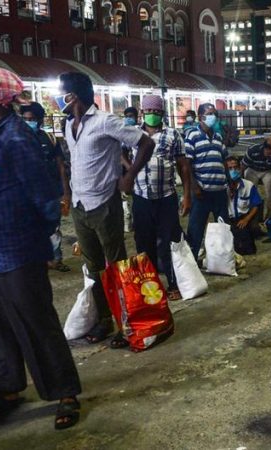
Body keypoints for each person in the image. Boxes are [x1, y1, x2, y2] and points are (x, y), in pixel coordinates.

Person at [0, 66, 82, 429]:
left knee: (37, 324)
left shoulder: (17, 139)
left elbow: (47, 198)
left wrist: (37, 240)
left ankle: (64, 391)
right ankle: (8, 390)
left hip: (18, 254)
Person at [58, 72, 155, 347]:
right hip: (80, 206)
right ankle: (104, 319)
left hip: (105, 206)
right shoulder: (68, 125)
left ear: (72, 96)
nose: (57, 98)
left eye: (60, 92)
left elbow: (145, 142)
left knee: (116, 268)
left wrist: (130, 175)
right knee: (93, 268)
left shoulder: (105, 122)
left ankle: (127, 322)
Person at [130, 95, 192, 301]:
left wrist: (187, 196)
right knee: (143, 243)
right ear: (142, 113)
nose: (153, 115)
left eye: (157, 112)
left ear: (162, 113)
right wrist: (128, 172)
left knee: (170, 242)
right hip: (141, 198)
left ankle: (174, 284)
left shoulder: (173, 134)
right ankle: (150, 286)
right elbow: (119, 153)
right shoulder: (132, 134)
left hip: (166, 197)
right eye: (149, 112)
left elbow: (183, 166)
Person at [19, 102, 72, 272]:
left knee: (53, 228)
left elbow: (61, 167)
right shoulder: (16, 140)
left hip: (51, 193)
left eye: (33, 119)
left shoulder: (50, 139)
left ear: (40, 120)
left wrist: (65, 192)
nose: (29, 122)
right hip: (26, 195)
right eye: (25, 119)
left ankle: (55, 259)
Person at [185, 103, 229, 258]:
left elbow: (224, 160)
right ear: (200, 117)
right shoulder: (192, 135)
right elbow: (187, 164)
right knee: (196, 229)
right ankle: (193, 258)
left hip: (220, 191)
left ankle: (222, 259)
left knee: (223, 227)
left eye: (214, 113)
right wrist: (194, 186)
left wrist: (229, 182)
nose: (213, 117)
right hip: (202, 192)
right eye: (210, 113)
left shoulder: (218, 137)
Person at [225, 156, 263, 255]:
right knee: (230, 250)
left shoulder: (248, 185)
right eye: (230, 168)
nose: (233, 170)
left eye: (236, 167)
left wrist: (246, 219)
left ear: (240, 168)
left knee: (249, 250)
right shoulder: (222, 186)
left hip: (243, 219)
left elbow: (256, 205)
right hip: (228, 220)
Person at [242, 136, 271, 220]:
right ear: (267, 149)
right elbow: (242, 168)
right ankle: (249, 216)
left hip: (267, 171)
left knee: (270, 195)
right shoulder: (252, 150)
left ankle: (270, 218)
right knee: (249, 193)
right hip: (252, 170)